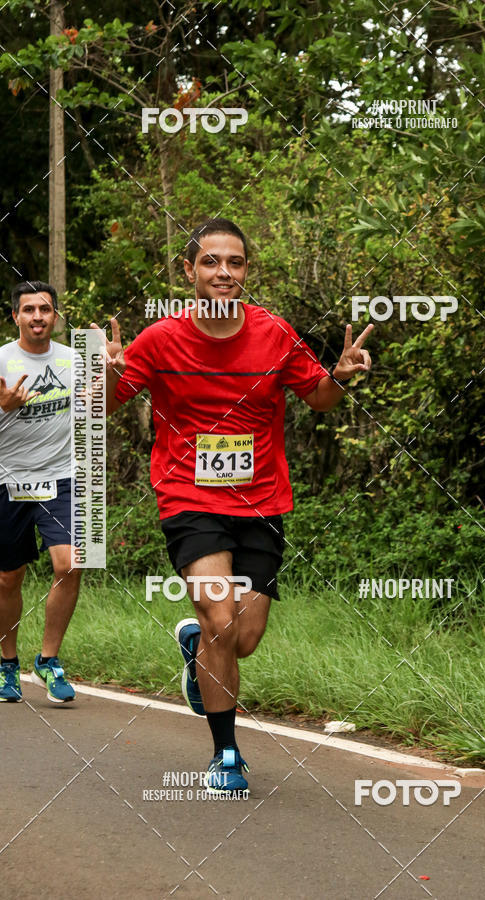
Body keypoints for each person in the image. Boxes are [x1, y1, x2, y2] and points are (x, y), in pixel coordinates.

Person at [99, 218, 373, 795]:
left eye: (236, 263)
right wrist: (106, 374)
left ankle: (197, 646)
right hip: (188, 498)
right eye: (211, 262)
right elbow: (104, 407)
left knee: (243, 638)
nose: (224, 272)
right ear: (189, 271)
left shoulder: (274, 334)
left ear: (247, 271)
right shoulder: (159, 339)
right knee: (221, 620)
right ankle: (226, 755)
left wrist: (341, 378)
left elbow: (318, 398)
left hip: (262, 500)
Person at [0, 281, 82, 703]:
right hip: (7, 479)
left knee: (69, 565)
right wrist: (3, 407)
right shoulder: (0, 361)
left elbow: (101, 405)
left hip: (61, 479)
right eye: (28, 309)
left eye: (45, 309)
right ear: (15, 316)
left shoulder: (74, 360)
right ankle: (7, 664)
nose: (37, 317)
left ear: (55, 316)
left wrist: (114, 370)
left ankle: (48, 661)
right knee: (7, 577)